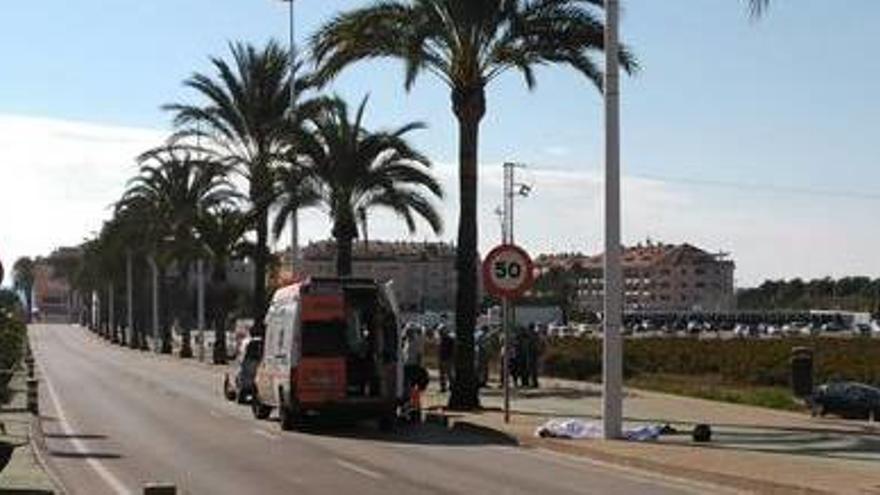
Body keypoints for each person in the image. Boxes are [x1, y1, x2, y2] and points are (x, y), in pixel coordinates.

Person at [438, 326, 454, 393]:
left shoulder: (450, 339)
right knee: (442, 374)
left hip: (448, 358)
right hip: (442, 358)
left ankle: (452, 386)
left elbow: (452, 350)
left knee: (449, 373)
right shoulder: (441, 339)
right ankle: (443, 387)